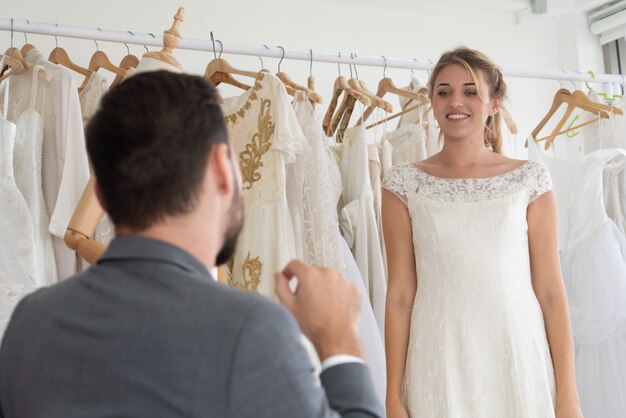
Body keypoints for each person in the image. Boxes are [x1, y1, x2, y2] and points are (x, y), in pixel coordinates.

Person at [0, 71, 384, 418]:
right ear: (221, 166)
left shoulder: (30, 323)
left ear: (100, 192)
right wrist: (340, 344)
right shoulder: (250, 332)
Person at [382, 47, 583, 418]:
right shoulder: (402, 184)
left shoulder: (530, 179)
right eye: (443, 91)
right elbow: (399, 297)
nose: (455, 101)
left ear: (494, 104)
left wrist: (568, 395)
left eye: (470, 91)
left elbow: (552, 293)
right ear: (432, 101)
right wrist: (392, 396)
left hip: (517, 359)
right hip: (438, 360)